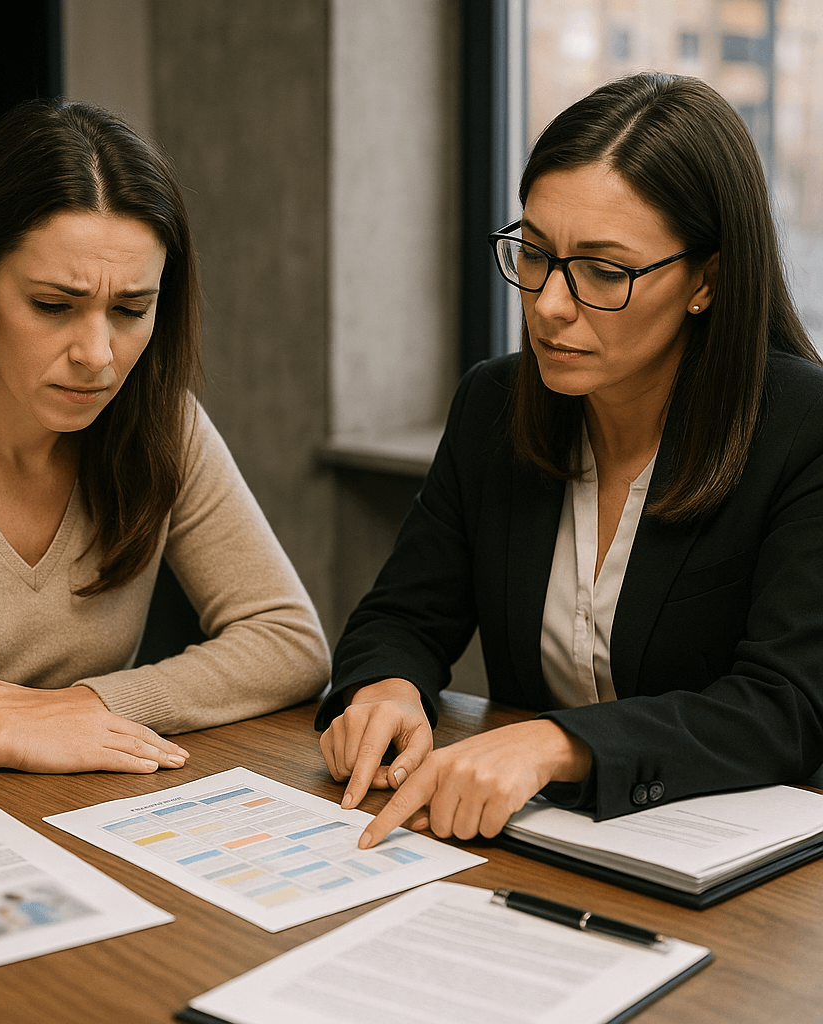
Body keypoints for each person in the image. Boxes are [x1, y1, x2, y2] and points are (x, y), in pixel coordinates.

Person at [317, 73, 823, 850]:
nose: (550, 303)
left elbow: (784, 707)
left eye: (603, 271)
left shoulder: (801, 427)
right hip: (530, 848)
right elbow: (402, 616)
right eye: (535, 253)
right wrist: (385, 688)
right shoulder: (495, 404)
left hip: (741, 874)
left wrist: (560, 743)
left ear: (706, 281)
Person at [0, 99, 329, 791]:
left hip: (67, 816)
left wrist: (84, 705)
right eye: (54, 306)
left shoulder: (162, 422)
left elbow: (289, 642)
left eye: (132, 310)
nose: (98, 356)